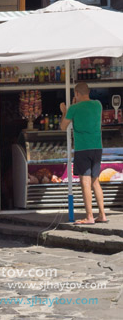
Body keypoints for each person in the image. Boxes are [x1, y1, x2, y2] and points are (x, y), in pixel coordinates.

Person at [61, 82, 108, 224]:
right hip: (97, 147)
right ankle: (102, 215)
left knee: (85, 182)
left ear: (76, 94)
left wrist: (65, 111)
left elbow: (63, 127)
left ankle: (89, 217)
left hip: (83, 148)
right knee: (95, 181)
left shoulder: (74, 108)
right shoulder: (98, 105)